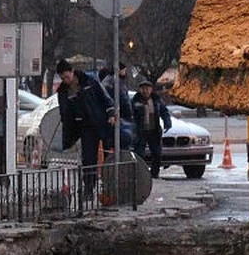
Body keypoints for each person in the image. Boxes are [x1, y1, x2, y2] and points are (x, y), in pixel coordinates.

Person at [55, 59, 116, 198]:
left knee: (110, 156)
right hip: (85, 127)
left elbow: (104, 97)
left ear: (72, 72)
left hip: (101, 122)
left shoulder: (89, 81)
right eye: (63, 78)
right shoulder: (63, 92)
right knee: (88, 159)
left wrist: (111, 113)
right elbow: (65, 114)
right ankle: (89, 188)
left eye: (67, 76)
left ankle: (110, 186)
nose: (66, 80)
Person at [131, 79, 173, 179]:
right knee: (140, 154)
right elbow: (130, 115)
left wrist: (167, 122)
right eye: (143, 89)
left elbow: (164, 112)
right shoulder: (135, 101)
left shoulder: (156, 100)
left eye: (147, 89)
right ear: (140, 90)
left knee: (157, 153)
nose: (145, 91)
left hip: (154, 131)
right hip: (140, 132)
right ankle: (140, 174)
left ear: (151, 90)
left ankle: (155, 173)